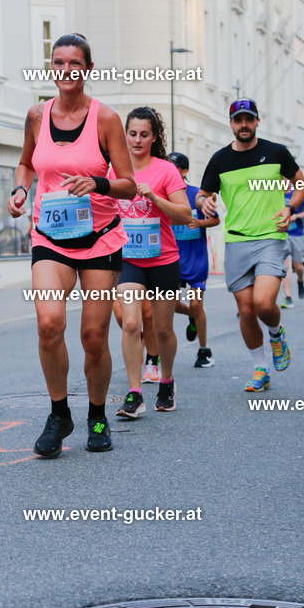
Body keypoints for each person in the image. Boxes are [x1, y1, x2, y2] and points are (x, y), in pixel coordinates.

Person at [8, 33, 136, 458]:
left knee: (94, 335)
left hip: (100, 239)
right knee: (49, 323)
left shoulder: (106, 119)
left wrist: (96, 182)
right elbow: (27, 163)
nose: (66, 70)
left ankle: (97, 414)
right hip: (50, 235)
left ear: (87, 69)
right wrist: (21, 191)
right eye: (58, 63)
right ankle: (59, 412)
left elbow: (128, 186)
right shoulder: (35, 115)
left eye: (74, 63)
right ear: (51, 68)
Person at [197, 98, 304, 392]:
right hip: (236, 242)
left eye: (249, 119)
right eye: (238, 120)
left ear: (257, 121)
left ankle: (276, 334)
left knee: (262, 303)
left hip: (271, 238)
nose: (244, 125)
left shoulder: (276, 152)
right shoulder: (220, 159)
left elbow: (301, 184)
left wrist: (290, 209)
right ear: (231, 123)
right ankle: (260, 369)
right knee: (246, 311)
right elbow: (203, 193)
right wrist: (204, 202)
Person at [113, 108, 191, 418]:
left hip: (163, 260)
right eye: (132, 133)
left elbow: (185, 215)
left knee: (162, 330)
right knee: (131, 323)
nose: (137, 139)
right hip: (128, 259)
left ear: (154, 137)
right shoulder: (114, 170)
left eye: (144, 134)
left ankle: (167, 382)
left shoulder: (165, 171)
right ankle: (134, 393)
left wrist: (156, 198)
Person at [168, 152, 220, 367]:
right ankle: (193, 316)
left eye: (173, 168)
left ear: (184, 171)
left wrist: (199, 224)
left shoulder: (197, 195)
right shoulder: (162, 195)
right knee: (168, 304)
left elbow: (215, 220)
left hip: (196, 259)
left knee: (197, 303)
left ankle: (204, 351)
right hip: (171, 259)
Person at [278, 184, 304, 308]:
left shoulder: (297, 194)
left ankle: (300, 281)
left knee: (298, 266)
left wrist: (297, 216)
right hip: (281, 234)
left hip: (297, 234)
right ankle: (288, 297)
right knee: (285, 265)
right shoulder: (275, 193)